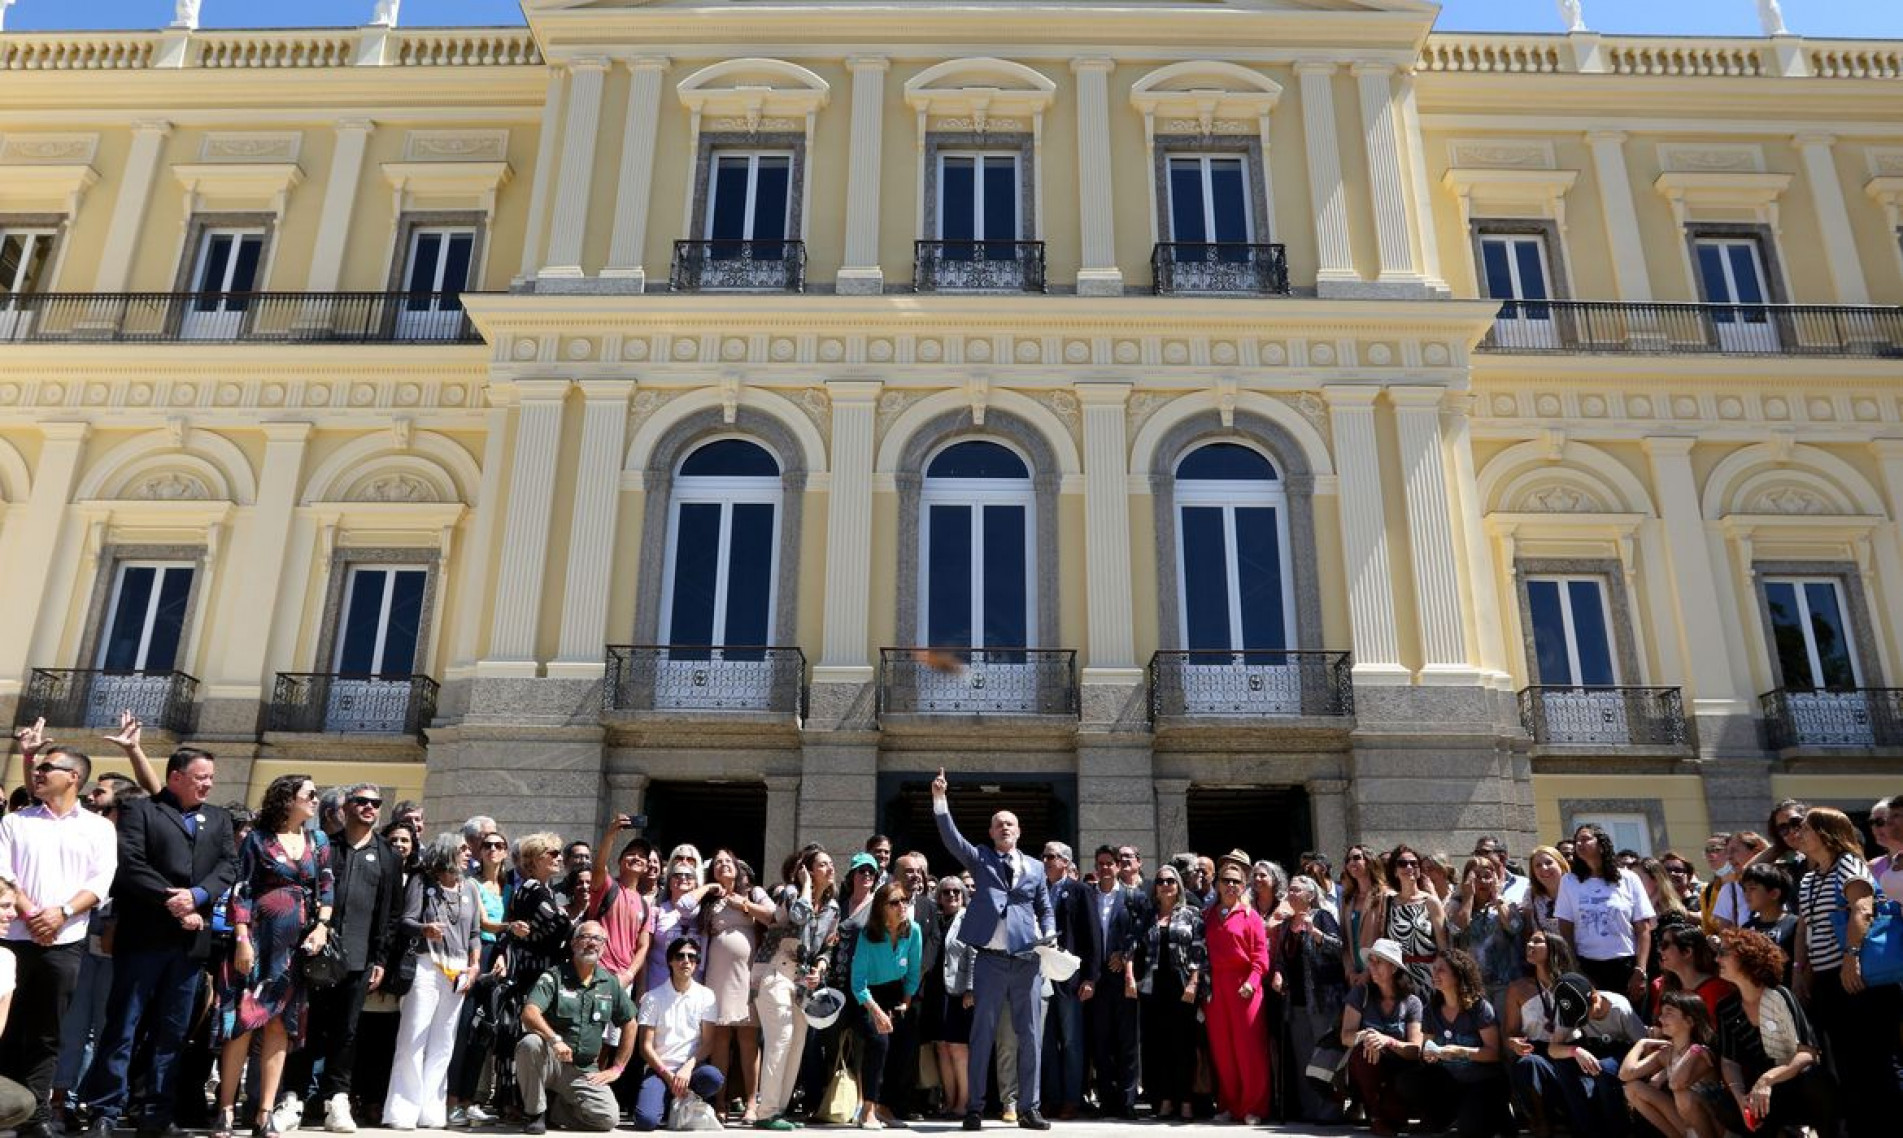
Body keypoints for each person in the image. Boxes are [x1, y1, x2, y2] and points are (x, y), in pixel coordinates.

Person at [78, 745, 237, 1138]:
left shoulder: (218, 819)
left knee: (173, 1032)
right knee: (123, 1027)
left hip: (188, 946)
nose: (208, 784)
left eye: (211, 779)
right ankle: (105, 1110)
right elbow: (130, 864)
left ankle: (157, 1114)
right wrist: (174, 900)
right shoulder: (140, 810)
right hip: (144, 936)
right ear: (176, 777)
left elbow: (228, 866)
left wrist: (199, 897)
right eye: (201, 777)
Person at [0, 736, 118, 1138]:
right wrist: (34, 914)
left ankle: (33, 1117)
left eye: (45, 768)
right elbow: (5, 876)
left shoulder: (99, 828)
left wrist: (62, 913)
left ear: (73, 777)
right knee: (5, 1027)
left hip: (65, 943)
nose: (36, 772)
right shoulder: (15, 821)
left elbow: (100, 883)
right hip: (14, 940)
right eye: (36, 768)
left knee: (47, 1032)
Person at [929, 767, 1053, 1131]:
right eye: (998, 824)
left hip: (1027, 960)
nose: (1005, 828)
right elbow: (952, 839)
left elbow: (1044, 907)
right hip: (990, 962)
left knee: (1030, 1037)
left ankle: (1030, 1108)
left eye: (1010, 824)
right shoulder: (981, 858)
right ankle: (975, 1108)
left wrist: (1050, 932)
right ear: (991, 832)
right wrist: (940, 800)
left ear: (1019, 831)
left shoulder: (1034, 867)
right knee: (981, 1035)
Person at [210, 775, 333, 1138]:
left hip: (297, 948)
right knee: (243, 1024)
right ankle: (226, 1110)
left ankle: (264, 1112)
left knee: (281, 1025)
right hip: (259, 942)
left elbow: (326, 887)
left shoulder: (318, 840)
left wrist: (322, 927)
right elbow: (242, 891)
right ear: (288, 799)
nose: (315, 799)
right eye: (309, 794)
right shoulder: (257, 839)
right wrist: (243, 938)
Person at [289, 782, 402, 1135]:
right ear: (346, 807)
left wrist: (381, 958)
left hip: (359, 959)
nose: (370, 808)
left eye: (375, 803)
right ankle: (293, 1097)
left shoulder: (388, 856)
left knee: (347, 1033)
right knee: (309, 1029)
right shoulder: (325, 847)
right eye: (362, 802)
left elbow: (391, 913)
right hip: (318, 956)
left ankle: (336, 1098)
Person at [1789, 805, 1903, 1134]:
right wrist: (1799, 969)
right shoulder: (1809, 878)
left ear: (1825, 833)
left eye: (1806, 829)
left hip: (1859, 979)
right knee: (1847, 1065)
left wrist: (1851, 956)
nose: (1800, 835)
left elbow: (1863, 910)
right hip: (1828, 981)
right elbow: (1803, 929)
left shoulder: (1848, 864)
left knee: (1874, 1064)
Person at [382, 833, 482, 1131]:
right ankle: (402, 1110)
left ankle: (432, 1111)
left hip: (459, 970)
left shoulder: (470, 889)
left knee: (444, 1042)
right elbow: (405, 920)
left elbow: (475, 932)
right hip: (427, 965)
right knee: (413, 1037)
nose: (469, 853)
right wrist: (424, 929)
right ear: (446, 852)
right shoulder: (421, 882)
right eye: (463, 849)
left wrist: (475, 966)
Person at [1709, 927, 1835, 1135]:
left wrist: (1768, 1079)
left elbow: (1807, 1053)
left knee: (1814, 1078)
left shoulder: (1780, 996)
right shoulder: (1726, 1008)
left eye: (1723, 953)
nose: (1716, 959)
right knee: (1720, 1100)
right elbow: (1729, 1061)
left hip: (1791, 1081)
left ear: (1746, 957)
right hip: (1762, 1094)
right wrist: (1741, 1097)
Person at [517, 920, 637, 1133]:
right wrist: (554, 1039)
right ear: (573, 944)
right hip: (550, 1062)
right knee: (530, 1043)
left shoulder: (609, 983)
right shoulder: (555, 976)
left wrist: (617, 1068)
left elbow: (630, 1023)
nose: (591, 943)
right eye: (584, 937)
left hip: (583, 1070)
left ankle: (557, 1109)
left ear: (604, 946)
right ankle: (535, 1114)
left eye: (597, 939)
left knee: (607, 1119)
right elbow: (529, 1013)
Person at [494, 833, 575, 1119]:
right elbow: (558, 926)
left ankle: (528, 1102)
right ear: (534, 860)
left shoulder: (546, 890)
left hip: (543, 973)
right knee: (525, 1040)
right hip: (532, 976)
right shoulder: (531, 888)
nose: (558, 858)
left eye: (558, 853)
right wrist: (576, 922)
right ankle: (517, 1104)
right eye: (551, 853)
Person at [1506, 969, 1643, 1138]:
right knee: (1563, 1065)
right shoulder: (1570, 1013)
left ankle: (1616, 1131)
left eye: (1583, 1017)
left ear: (1594, 999)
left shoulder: (1619, 1008)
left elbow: (1643, 1043)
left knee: (1604, 1069)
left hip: (1620, 1055)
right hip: (1589, 1052)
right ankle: (1585, 1128)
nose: (1581, 1022)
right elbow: (1553, 1049)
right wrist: (1574, 1051)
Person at [752, 847, 833, 1128]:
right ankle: (766, 1111)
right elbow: (798, 917)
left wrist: (820, 968)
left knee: (797, 1042)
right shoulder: (790, 893)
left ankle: (778, 1111)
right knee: (781, 1038)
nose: (831, 868)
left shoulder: (831, 907)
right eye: (823, 864)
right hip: (775, 973)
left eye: (830, 864)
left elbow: (825, 947)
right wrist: (807, 885)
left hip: (801, 982)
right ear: (808, 871)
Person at [1409, 949, 1507, 1138]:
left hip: (1481, 1080)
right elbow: (1427, 1047)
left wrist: (1462, 1051)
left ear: (1458, 974)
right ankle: (1441, 1116)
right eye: (1434, 969)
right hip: (1450, 1081)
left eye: (1441, 970)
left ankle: (1496, 1113)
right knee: (1409, 1081)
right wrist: (1429, 1054)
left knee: (1471, 1130)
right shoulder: (1431, 1010)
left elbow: (1494, 1053)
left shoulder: (1479, 1008)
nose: (1434, 974)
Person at [702, 849, 770, 1120]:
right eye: (717, 862)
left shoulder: (753, 892)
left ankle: (752, 1103)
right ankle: (719, 1101)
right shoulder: (709, 898)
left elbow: (772, 915)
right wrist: (709, 890)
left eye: (727, 861)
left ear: (737, 867)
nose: (722, 865)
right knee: (719, 1038)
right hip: (715, 975)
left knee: (748, 1039)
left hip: (747, 975)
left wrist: (741, 904)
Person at [1204, 852, 1270, 1123]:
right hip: (1215, 988)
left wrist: (1252, 983)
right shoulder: (1207, 915)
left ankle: (1254, 1107)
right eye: (1226, 881)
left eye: (1236, 882)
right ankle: (1228, 1104)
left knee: (1248, 1049)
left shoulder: (1251, 916)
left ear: (1243, 887)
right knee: (1222, 1050)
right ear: (1218, 884)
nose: (1230, 886)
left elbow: (1261, 956)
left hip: (1244, 986)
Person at [1556, 824, 1654, 1005]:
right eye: (1577, 840)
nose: (1579, 844)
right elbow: (1565, 929)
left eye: (1585, 839)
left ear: (1602, 845)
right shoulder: (1569, 882)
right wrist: (1575, 969)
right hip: (1587, 965)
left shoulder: (1628, 879)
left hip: (1625, 965)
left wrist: (1640, 970)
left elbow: (1643, 929)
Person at [852, 881, 922, 1130]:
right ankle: (867, 1109)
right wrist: (879, 1013)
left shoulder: (913, 931)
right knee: (879, 1041)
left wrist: (905, 1003)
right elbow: (858, 983)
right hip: (867, 997)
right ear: (882, 907)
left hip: (896, 993)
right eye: (895, 902)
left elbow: (913, 974)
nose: (902, 906)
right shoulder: (867, 935)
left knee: (904, 1045)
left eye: (904, 900)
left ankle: (885, 1106)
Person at [632, 937, 721, 1132]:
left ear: (697, 963)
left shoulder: (707, 996)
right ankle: (672, 1103)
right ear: (670, 961)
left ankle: (683, 1100)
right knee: (645, 1121)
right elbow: (645, 1047)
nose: (686, 961)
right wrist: (668, 1076)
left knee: (713, 1077)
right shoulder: (652, 997)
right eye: (680, 956)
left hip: (691, 1069)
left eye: (692, 957)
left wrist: (687, 1069)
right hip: (659, 1069)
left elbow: (708, 1043)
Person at [1137, 864, 1204, 1122]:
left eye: (1171, 881)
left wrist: (1193, 983)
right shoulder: (1149, 916)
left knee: (1183, 1045)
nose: (1166, 885)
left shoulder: (1191, 914)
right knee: (1159, 1045)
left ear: (1178, 886)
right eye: (1161, 881)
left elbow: (1199, 951)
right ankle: (1165, 1099)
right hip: (1154, 987)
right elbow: (1137, 947)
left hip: (1181, 985)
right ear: (1155, 888)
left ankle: (1186, 1100)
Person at [1277, 875, 1346, 1123]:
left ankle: (1330, 1111)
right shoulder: (1286, 925)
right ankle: (1309, 1111)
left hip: (1322, 999)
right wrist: (1279, 974)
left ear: (1309, 894)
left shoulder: (1322, 917)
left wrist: (1317, 934)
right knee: (1303, 1058)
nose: (1291, 893)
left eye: (1296, 890)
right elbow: (1282, 960)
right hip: (1295, 1001)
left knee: (1324, 1058)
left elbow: (1340, 950)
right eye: (1290, 890)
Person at [1035, 842, 1096, 1120]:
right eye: (1044, 856)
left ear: (1066, 862)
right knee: (1045, 1040)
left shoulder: (1081, 890)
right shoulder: (1036, 890)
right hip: (1040, 976)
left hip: (1070, 977)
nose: (1046, 860)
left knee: (1071, 1040)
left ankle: (1072, 1098)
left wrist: (1090, 978)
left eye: (1052, 856)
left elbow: (1092, 936)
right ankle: (1052, 1096)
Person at [1340, 938, 1422, 1137]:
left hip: (1399, 1069)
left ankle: (1386, 1112)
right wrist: (1369, 1036)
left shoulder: (1411, 1002)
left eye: (1379, 961)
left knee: (1397, 1116)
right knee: (1363, 1049)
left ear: (1393, 968)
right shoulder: (1361, 994)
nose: (1372, 966)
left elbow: (1415, 1050)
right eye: (1371, 961)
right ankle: (1376, 1116)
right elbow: (1346, 1037)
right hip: (1368, 1066)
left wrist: (1388, 1041)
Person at [1083, 845, 1143, 1119]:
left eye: (1110, 863)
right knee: (1102, 1043)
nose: (1106, 868)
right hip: (1098, 980)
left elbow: (1142, 933)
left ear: (1119, 866)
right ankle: (1107, 1101)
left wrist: (1125, 955)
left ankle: (1128, 1101)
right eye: (1101, 863)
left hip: (1124, 978)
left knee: (1127, 1043)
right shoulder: (1088, 897)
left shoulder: (1134, 897)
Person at [1616, 990, 1722, 1138]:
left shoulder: (1701, 1053)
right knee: (1632, 1088)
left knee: (1684, 1096)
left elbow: (1677, 1084)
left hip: (1715, 1126)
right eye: (1662, 1013)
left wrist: (1693, 1051)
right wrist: (1641, 1043)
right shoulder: (1667, 1053)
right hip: (1686, 1125)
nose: (1661, 1018)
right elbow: (1625, 1074)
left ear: (1689, 1021)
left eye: (1669, 1013)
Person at [1447, 854, 1521, 1016]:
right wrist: (1468, 897)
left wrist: (1497, 898)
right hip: (1473, 984)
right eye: (1476, 877)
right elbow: (1455, 930)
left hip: (1503, 982)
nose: (1482, 881)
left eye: (1487, 876)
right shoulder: (1457, 906)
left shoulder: (1504, 904)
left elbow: (1515, 928)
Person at [1372, 845, 1446, 990]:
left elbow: (1443, 948)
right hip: (1398, 976)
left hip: (1429, 977)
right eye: (1402, 863)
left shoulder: (1431, 902)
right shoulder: (1388, 902)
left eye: (1414, 863)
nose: (1409, 867)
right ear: (1395, 871)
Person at [2, 877, 43, 1131]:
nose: (11, 914)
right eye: (4, 906)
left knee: (21, 1102)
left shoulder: (5, 961)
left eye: (13, 907)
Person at [935, 878, 976, 1121]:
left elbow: (973, 954)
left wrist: (971, 989)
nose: (951, 896)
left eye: (956, 892)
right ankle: (950, 1102)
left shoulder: (967, 918)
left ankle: (963, 1102)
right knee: (942, 1047)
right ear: (939, 897)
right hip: (937, 991)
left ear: (963, 896)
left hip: (960, 992)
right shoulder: (936, 920)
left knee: (959, 1048)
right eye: (946, 892)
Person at [1648, 922, 1733, 1022]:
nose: (1660, 950)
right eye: (1660, 945)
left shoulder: (1716, 990)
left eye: (1665, 945)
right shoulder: (1668, 986)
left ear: (1687, 952)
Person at [1339, 844, 1390, 987]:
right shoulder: (1347, 898)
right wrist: (1349, 971)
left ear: (1370, 861)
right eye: (1348, 860)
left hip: (1379, 974)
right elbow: (1344, 939)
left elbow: (1385, 936)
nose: (1351, 863)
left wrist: (1368, 972)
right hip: (1354, 975)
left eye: (1356, 858)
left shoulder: (1385, 895)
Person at [1736, 863, 1797, 974]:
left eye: (1752, 888)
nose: (1746, 894)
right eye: (1744, 889)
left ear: (1774, 893)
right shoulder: (1747, 928)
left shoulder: (1794, 924)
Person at [1710, 831, 1769, 930]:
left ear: (1756, 852)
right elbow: (1725, 933)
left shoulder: (1781, 882)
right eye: (1727, 852)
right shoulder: (1730, 890)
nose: (1729, 857)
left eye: (1734, 851)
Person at [1520, 845, 1567, 940]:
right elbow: (1527, 931)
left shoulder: (1575, 890)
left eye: (1549, 863)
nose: (1544, 868)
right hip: (1549, 953)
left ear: (1560, 864)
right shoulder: (1531, 895)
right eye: (1538, 865)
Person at [1472, 837, 1527, 906]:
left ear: (1502, 857)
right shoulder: (1470, 884)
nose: (1478, 857)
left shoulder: (1524, 885)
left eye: (1484, 852)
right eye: (1476, 853)